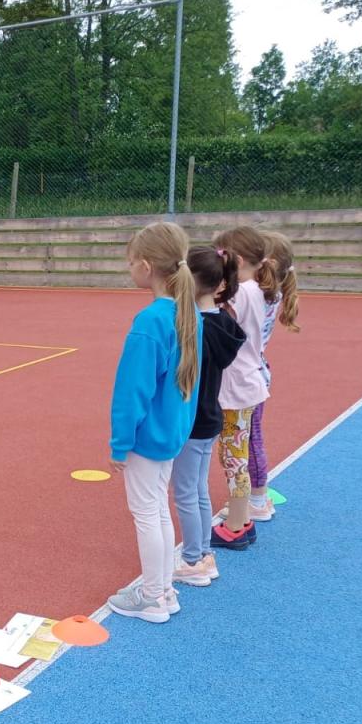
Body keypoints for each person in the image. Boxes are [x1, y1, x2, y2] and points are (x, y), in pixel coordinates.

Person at [105, 222, 202, 623]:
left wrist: (119, 443)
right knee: (158, 510)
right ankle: (162, 590)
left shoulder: (150, 321)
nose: (129, 268)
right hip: (171, 432)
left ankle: (152, 597)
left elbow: (132, 389)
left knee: (147, 513)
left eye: (131, 262)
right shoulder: (188, 312)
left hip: (148, 437)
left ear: (146, 266)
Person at [170, 246, 246, 587]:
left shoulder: (195, 328)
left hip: (193, 420)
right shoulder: (224, 322)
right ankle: (201, 553)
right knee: (197, 489)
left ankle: (193, 560)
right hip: (210, 417)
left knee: (186, 492)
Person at [209, 225, 274, 551]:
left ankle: (236, 524)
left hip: (236, 386)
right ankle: (242, 519)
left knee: (234, 458)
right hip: (246, 380)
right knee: (236, 455)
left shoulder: (238, 293)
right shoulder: (254, 288)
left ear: (236, 260)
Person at [247, 229, 301, 518]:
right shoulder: (270, 294)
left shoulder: (256, 296)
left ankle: (257, 499)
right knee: (248, 437)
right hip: (253, 374)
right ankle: (255, 494)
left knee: (248, 439)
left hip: (247, 379)